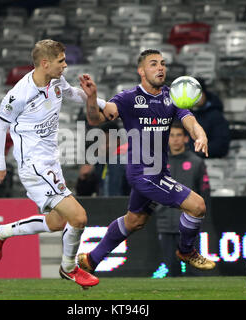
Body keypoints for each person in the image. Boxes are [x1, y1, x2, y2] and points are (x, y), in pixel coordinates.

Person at [0, 39, 113, 289]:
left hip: (51, 162)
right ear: (45, 63)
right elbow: (1, 126)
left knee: (56, 223)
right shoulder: (19, 94)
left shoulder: (55, 80)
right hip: (34, 165)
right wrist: (0, 163)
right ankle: (69, 268)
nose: (65, 65)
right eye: (61, 61)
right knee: (79, 217)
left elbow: (72, 94)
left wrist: (99, 102)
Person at [77, 49, 216, 275]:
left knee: (135, 221)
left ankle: (91, 259)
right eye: (153, 64)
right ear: (141, 71)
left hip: (159, 172)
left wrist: (200, 135)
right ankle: (187, 251)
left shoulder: (172, 96)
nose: (160, 67)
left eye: (162, 63)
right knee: (197, 206)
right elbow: (95, 119)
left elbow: (189, 121)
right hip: (143, 173)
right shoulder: (127, 98)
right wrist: (92, 98)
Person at [155, 120, 211, 277]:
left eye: (179, 135)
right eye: (171, 135)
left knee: (193, 271)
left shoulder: (197, 163)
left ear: (186, 138)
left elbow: (205, 193)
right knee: (171, 269)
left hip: (189, 224)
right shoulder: (158, 163)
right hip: (165, 222)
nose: (175, 139)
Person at [76, 121, 130, 197]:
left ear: (118, 141)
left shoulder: (127, 163)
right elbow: (84, 194)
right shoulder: (99, 164)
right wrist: (83, 179)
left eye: (107, 142)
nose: (102, 146)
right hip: (103, 207)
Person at [188, 77, 231, 158]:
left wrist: (199, 151)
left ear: (204, 94)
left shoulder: (216, 116)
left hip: (209, 160)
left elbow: (221, 144)